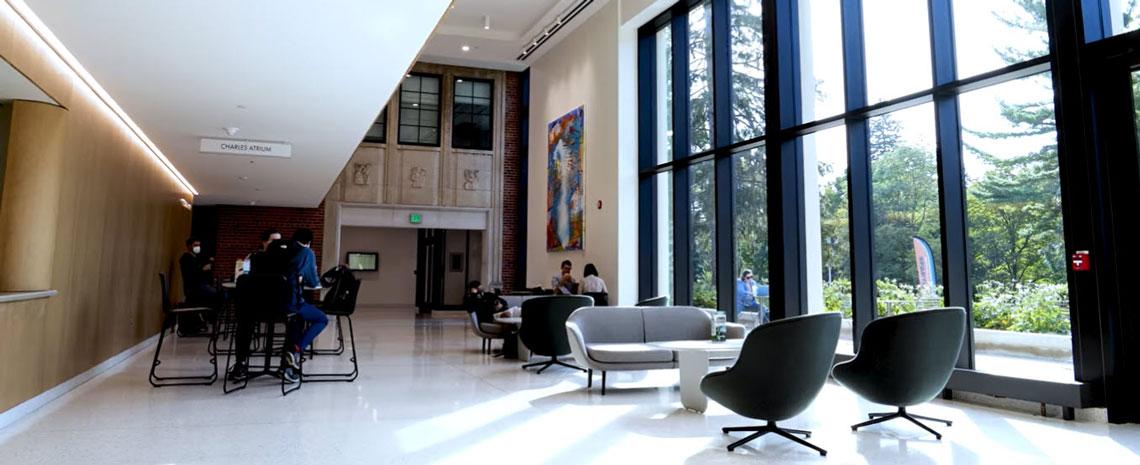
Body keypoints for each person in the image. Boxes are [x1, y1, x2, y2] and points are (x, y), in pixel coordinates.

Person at [178, 237, 217, 334]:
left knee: (214, 292)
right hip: (194, 288)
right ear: (189, 246)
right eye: (195, 245)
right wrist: (203, 269)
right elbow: (192, 274)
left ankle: (204, 319)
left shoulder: (194, 258)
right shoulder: (186, 258)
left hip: (197, 286)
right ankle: (209, 319)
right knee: (217, 295)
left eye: (198, 245)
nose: (198, 247)